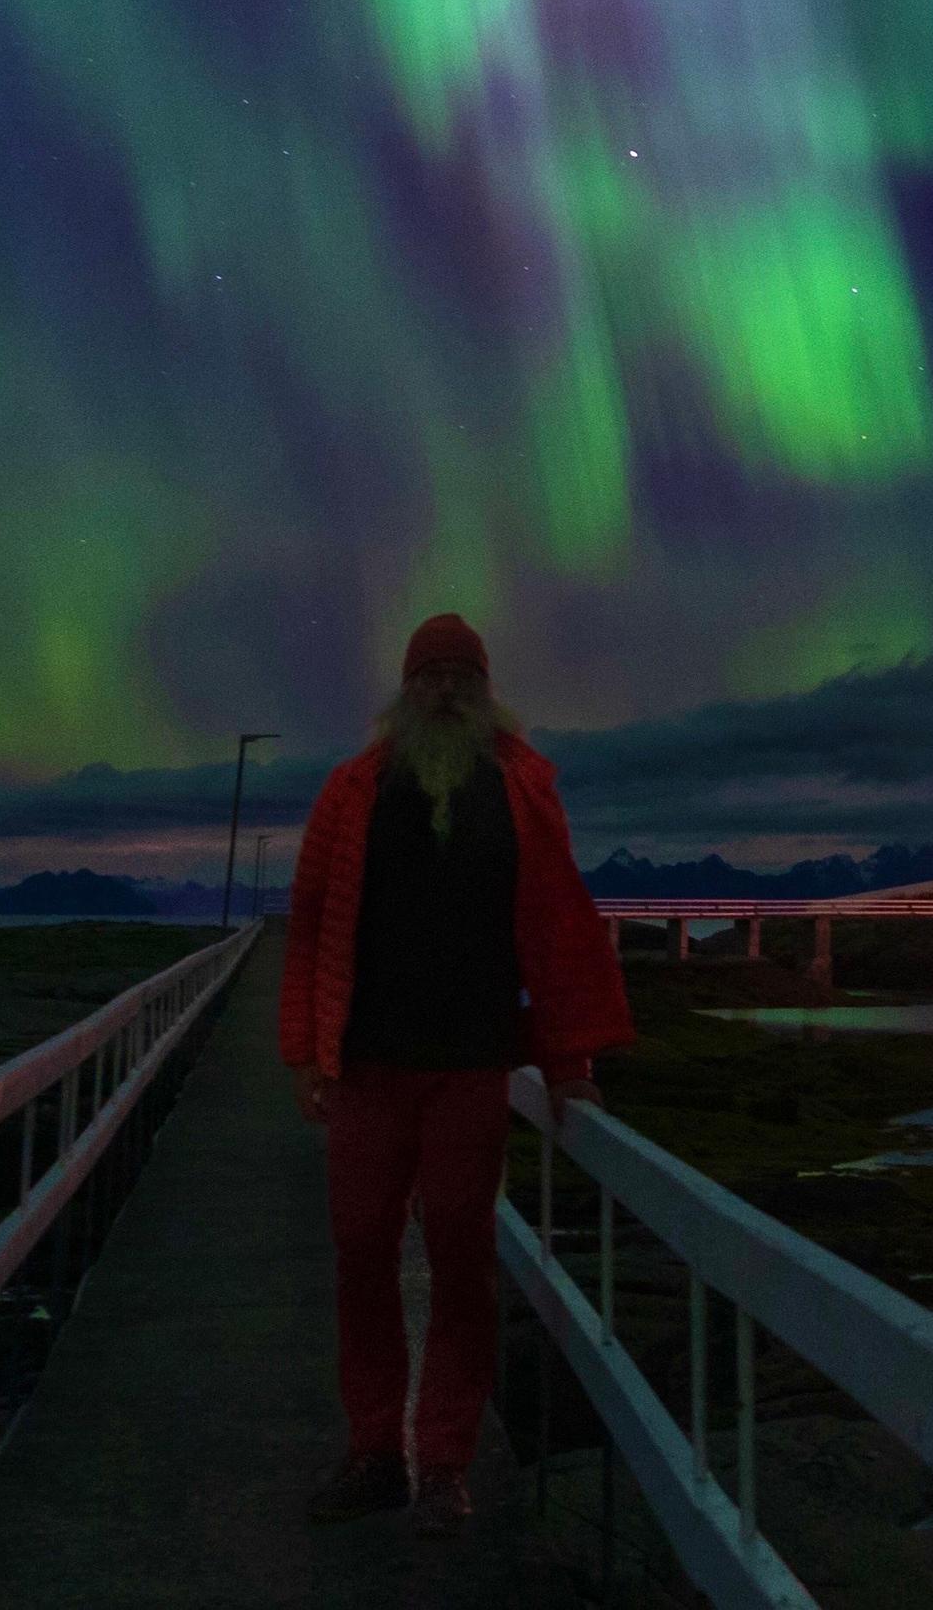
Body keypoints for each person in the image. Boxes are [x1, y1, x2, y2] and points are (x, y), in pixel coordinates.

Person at [276, 612, 633, 1537]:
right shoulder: (351, 790)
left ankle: (443, 1463)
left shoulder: (522, 786)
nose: (443, 688)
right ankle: (372, 1455)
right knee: (361, 1254)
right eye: (428, 673)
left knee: (462, 1263)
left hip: (472, 1067)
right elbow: (311, 923)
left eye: (458, 674)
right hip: (366, 1067)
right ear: (405, 688)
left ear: (483, 690)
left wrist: (569, 1061)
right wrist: (307, 1055)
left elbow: (558, 926)